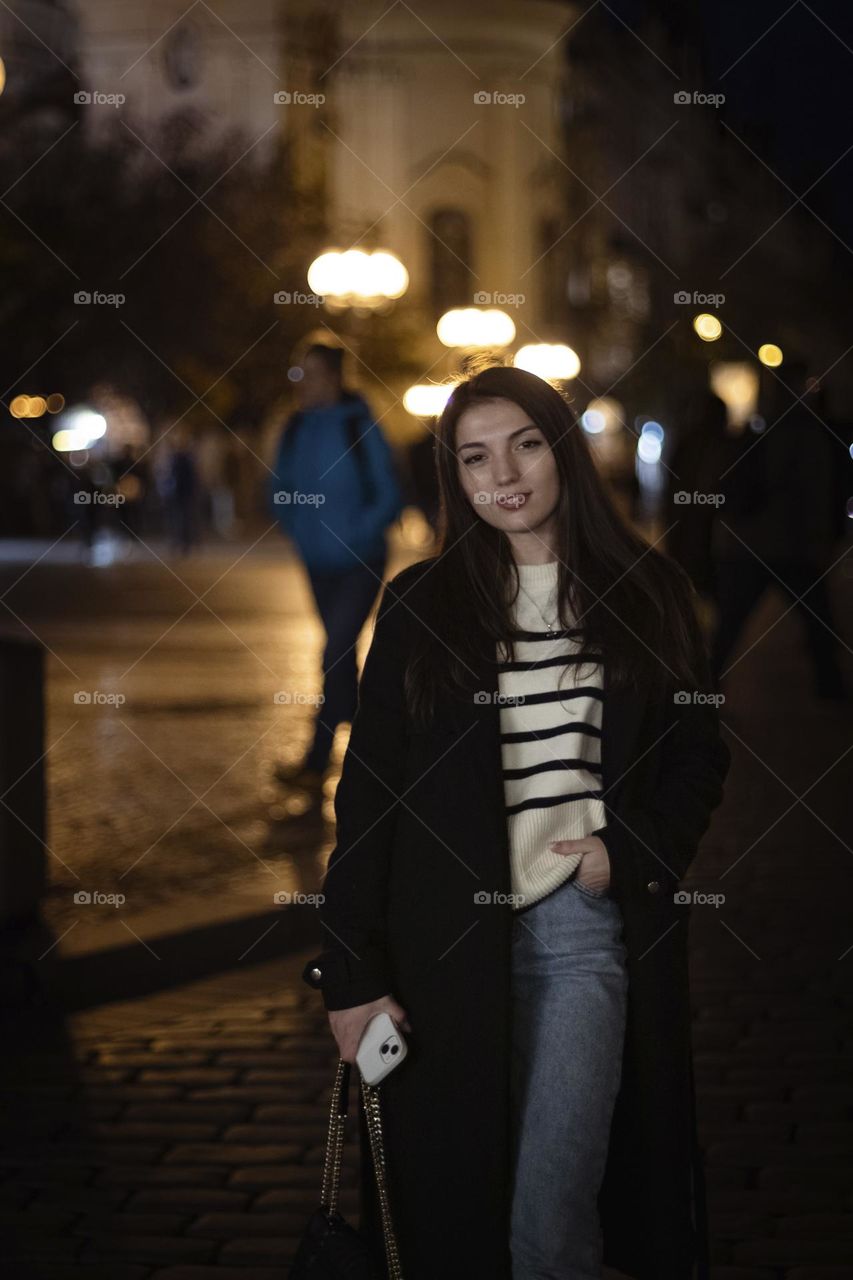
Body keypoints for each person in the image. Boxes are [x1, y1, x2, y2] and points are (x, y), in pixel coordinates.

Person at [301, 365, 731, 1280]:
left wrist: (632, 851)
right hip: (440, 947)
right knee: (453, 1218)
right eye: (474, 456)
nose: (505, 472)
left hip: (581, 937)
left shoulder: (647, 592)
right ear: (454, 479)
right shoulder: (422, 604)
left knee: (551, 1214)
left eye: (526, 443)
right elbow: (369, 794)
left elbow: (699, 753)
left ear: (561, 451)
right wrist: (351, 975)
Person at [270, 344, 404, 789]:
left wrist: (360, 532)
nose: (303, 383)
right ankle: (383, 750)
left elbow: (389, 490)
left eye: (311, 374)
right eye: (299, 374)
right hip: (317, 563)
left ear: (333, 377)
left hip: (360, 559)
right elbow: (279, 485)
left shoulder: (358, 424)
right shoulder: (294, 427)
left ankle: (316, 759)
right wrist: (297, 528)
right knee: (341, 659)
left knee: (335, 652)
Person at [710, 357, 847, 698]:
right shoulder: (807, 436)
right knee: (817, 622)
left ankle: (701, 689)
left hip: (751, 544)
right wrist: (822, 540)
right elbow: (816, 495)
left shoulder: (761, 431)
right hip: (787, 547)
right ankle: (831, 689)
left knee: (731, 625)